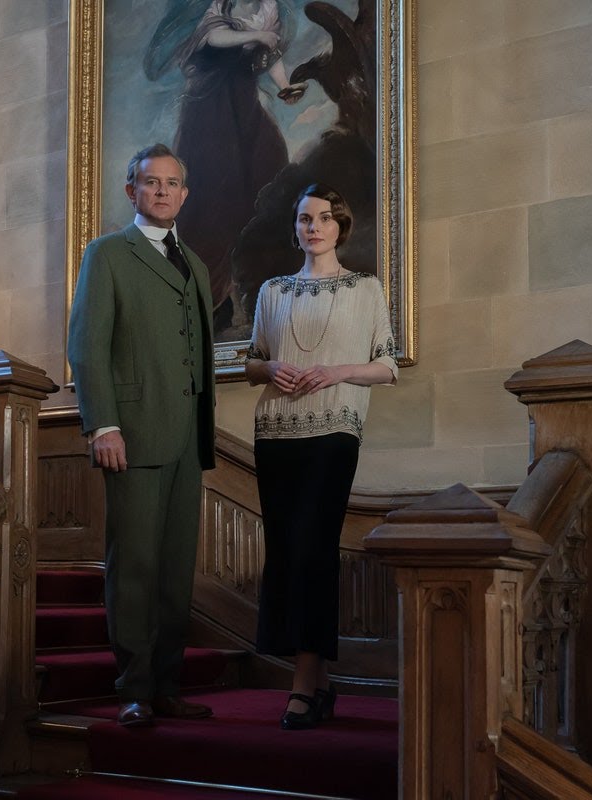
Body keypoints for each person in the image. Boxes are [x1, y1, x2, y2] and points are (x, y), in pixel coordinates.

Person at [67, 143, 217, 728]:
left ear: (184, 194)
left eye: (172, 183)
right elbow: (87, 344)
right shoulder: (107, 254)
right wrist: (103, 423)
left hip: (187, 440)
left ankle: (166, 686)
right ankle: (133, 687)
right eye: (149, 182)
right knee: (133, 566)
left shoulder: (198, 265)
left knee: (176, 570)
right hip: (131, 432)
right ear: (131, 191)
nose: (161, 191)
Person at [243, 184, 396, 729]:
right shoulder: (273, 291)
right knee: (286, 551)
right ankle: (322, 682)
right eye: (304, 218)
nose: (313, 227)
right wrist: (271, 369)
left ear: (340, 227)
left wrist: (336, 371)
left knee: (314, 549)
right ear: (296, 228)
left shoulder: (365, 288)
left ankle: (302, 683)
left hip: (335, 430)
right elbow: (253, 362)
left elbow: (386, 365)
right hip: (275, 432)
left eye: (324, 218)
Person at [145, 0, 306, 335]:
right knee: (217, 196)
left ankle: (259, 291)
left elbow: (268, 54)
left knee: (268, 172)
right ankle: (212, 299)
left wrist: (285, 87)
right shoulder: (217, 6)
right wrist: (260, 34)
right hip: (210, 110)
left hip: (243, 106)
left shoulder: (268, 8)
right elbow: (214, 37)